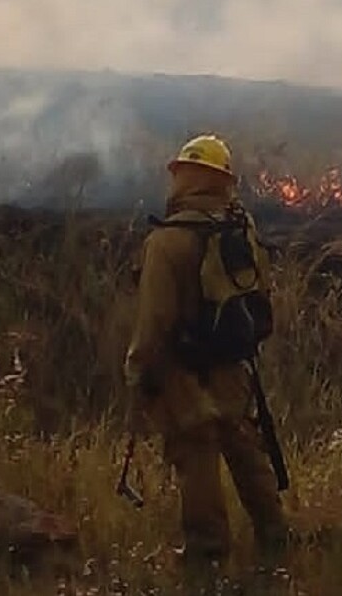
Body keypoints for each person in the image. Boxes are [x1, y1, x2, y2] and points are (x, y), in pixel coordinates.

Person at [123, 134, 289, 566]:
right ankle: (275, 534)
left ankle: (207, 554)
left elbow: (153, 320)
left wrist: (139, 374)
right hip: (233, 365)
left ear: (184, 177)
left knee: (195, 455)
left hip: (184, 370)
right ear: (222, 181)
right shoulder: (240, 230)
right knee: (244, 446)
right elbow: (261, 296)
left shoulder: (166, 242)